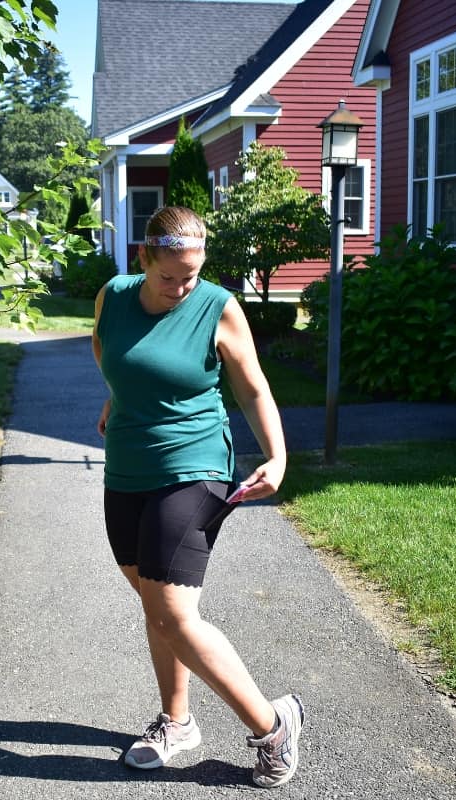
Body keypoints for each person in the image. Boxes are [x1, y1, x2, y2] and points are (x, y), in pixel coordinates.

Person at [92, 206, 303, 787]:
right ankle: (177, 721)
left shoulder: (218, 306)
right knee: (155, 605)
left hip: (196, 465)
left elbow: (254, 386)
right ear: (143, 259)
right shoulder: (113, 295)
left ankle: (273, 727)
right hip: (127, 470)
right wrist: (118, 396)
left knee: (173, 613)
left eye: (192, 274)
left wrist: (278, 457)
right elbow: (106, 349)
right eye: (170, 276)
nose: (183, 287)